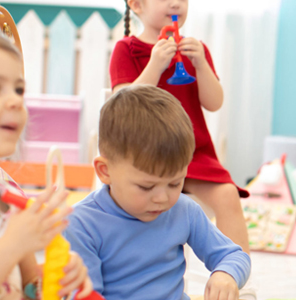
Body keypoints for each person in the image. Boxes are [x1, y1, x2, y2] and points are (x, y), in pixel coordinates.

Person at [64, 85, 250, 300]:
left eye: (175, 183)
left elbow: (234, 254)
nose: (163, 199)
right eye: (146, 187)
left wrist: (225, 274)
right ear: (105, 171)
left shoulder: (184, 210)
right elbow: (86, 295)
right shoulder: (81, 223)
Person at [110, 0, 251, 258]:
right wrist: (155, 64)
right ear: (137, 5)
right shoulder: (126, 49)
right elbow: (122, 103)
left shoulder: (197, 50)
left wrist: (201, 65)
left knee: (228, 194)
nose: (176, 3)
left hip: (193, 154)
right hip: (144, 156)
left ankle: (238, 274)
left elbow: (214, 102)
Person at [0, 27, 93, 300]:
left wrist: (57, 275)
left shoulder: (3, 190)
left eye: (19, 89)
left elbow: (26, 284)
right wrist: (11, 246)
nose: (16, 100)